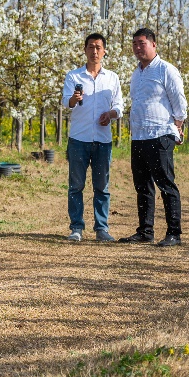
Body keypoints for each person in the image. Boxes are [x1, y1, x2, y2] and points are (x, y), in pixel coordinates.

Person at [120, 27, 188, 247]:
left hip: (160, 134)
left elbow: (179, 100)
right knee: (142, 186)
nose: (138, 48)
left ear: (153, 44)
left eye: (142, 43)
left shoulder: (166, 70)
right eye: (135, 44)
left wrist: (177, 124)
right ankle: (145, 230)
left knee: (166, 184)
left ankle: (174, 233)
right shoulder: (136, 73)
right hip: (138, 136)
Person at [61, 32, 124, 242]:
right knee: (76, 185)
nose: (94, 51)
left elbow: (119, 107)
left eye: (98, 47)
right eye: (90, 47)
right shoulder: (74, 76)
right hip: (79, 139)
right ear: (85, 49)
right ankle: (76, 228)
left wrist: (111, 114)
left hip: (103, 140)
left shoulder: (112, 78)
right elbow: (65, 103)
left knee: (102, 187)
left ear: (104, 51)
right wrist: (73, 99)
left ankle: (101, 228)